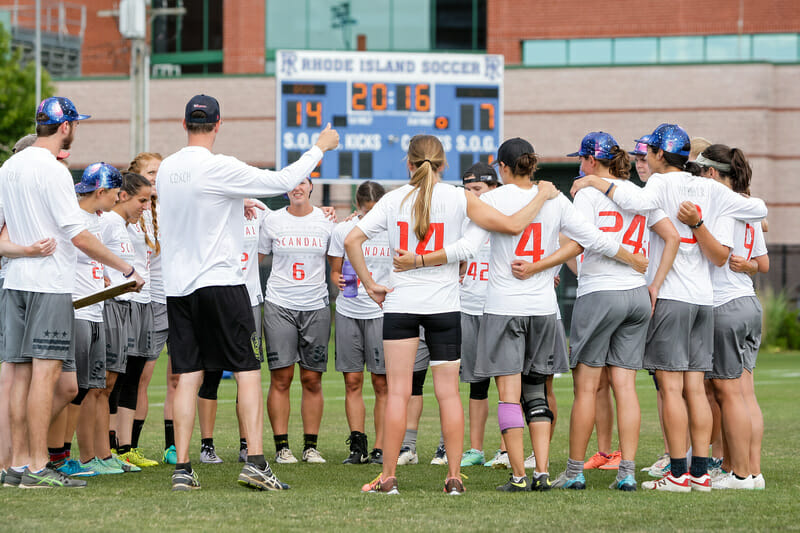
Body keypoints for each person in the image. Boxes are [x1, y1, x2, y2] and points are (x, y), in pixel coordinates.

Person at [407, 137, 648, 492]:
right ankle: (543, 472)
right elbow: (591, 239)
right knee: (536, 392)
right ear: (532, 165)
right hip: (543, 311)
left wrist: (422, 260)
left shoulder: (489, 199)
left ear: (502, 168)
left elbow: (467, 247)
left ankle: (519, 476)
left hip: (504, 308)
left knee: (508, 396)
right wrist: (633, 259)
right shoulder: (554, 198)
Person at [346, 134, 563, 495]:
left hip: (400, 303)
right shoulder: (459, 197)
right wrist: (541, 194)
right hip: (444, 306)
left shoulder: (392, 199)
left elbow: (352, 239)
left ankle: (388, 479)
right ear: (443, 165)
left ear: (409, 164)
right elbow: (511, 225)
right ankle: (454, 478)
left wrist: (370, 284)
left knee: (398, 393)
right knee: (448, 395)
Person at [156, 94, 339, 491]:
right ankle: (255, 461)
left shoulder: (167, 169)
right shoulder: (219, 166)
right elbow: (283, 181)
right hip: (222, 283)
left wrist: (244, 201)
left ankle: (183, 469)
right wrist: (318, 149)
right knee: (247, 372)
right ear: (218, 124)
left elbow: (198, 207)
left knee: (187, 375)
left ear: (184, 123)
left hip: (178, 287)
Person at [571, 123, 767, 492]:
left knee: (672, 389)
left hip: (673, 297)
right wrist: (703, 219)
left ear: (660, 155)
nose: (645, 158)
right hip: (704, 299)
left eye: (648, 153)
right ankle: (700, 473)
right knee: (696, 389)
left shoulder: (661, 183)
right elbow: (758, 208)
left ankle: (678, 473)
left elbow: (636, 203)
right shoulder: (708, 186)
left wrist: (598, 183)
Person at [0, 96, 143, 489]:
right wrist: (126, 268)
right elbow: (78, 235)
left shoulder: (9, 167)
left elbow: (2, 237)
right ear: (66, 127)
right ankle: (36, 465)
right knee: (44, 378)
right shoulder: (53, 170)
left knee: (18, 377)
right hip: (48, 285)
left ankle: (15, 466)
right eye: (75, 124)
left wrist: (24, 250)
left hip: (15, 283)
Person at [544, 132, 678, 491]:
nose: (578, 165)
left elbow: (579, 240)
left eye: (581, 159)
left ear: (591, 160)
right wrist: (652, 281)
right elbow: (669, 234)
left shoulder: (588, 192)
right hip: (636, 293)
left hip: (601, 292)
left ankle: (574, 472)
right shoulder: (635, 190)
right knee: (626, 386)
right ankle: (628, 471)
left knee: (586, 388)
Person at [682, 144, 768, 489]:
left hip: (725, 306)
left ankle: (741, 474)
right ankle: (751, 471)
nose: (699, 179)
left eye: (702, 172)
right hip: (747, 303)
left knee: (728, 393)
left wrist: (697, 224)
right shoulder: (746, 204)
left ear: (714, 174)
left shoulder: (721, 206)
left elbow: (719, 255)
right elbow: (760, 262)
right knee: (744, 393)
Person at [261, 177, 334, 465]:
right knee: (281, 377)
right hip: (280, 304)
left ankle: (310, 447)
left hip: (316, 306)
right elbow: (254, 258)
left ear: (311, 187)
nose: (297, 188)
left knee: (312, 378)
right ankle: (282, 447)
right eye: (292, 183)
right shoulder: (272, 221)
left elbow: (339, 256)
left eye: (302, 182)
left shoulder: (326, 221)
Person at [62, 163, 125, 477]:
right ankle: (60, 455)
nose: (118, 198)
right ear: (100, 191)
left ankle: (86, 456)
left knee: (89, 387)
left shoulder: (102, 220)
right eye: (115, 193)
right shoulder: (73, 217)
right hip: (77, 309)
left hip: (96, 309)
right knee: (73, 389)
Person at [328, 181, 390, 465]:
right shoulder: (344, 229)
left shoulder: (393, 230)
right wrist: (337, 279)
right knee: (352, 381)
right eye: (366, 213)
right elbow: (335, 271)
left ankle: (380, 447)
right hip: (349, 311)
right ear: (358, 207)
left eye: (375, 213)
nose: (371, 219)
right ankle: (357, 444)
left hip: (381, 313)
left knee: (381, 382)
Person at [96, 171, 153, 475]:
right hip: (109, 306)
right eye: (142, 199)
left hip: (126, 306)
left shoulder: (126, 227)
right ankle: (98, 452)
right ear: (123, 195)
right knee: (103, 383)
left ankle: (108, 452)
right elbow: (89, 251)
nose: (146, 206)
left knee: (112, 381)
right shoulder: (107, 223)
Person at [457, 162, 499, 467]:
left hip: (500, 306)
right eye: (467, 190)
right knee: (476, 383)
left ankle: (507, 448)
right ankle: (476, 448)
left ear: (493, 188)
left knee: (511, 382)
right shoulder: (461, 219)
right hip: (468, 305)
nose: (472, 195)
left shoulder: (504, 216)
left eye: (477, 189)